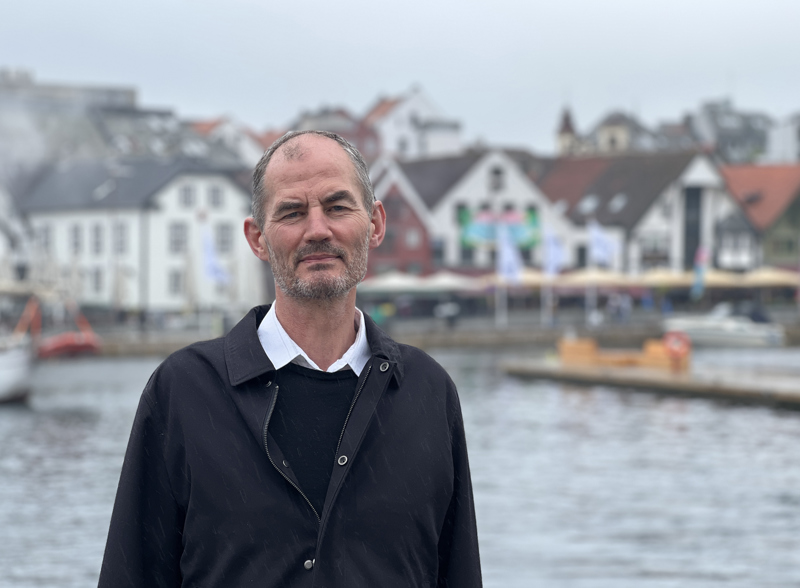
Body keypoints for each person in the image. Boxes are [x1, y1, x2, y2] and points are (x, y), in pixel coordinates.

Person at [98, 130, 482, 587]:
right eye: (292, 212)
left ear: (375, 224)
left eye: (338, 206)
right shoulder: (183, 393)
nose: (317, 229)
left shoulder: (427, 392)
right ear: (257, 238)